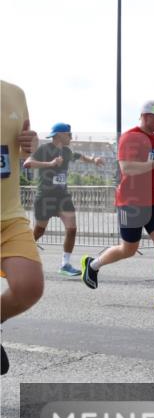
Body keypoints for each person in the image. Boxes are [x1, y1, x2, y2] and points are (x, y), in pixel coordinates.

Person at [80, 101, 154, 310]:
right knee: (129, 249)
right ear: (145, 116)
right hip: (131, 200)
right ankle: (93, 264)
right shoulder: (129, 138)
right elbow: (127, 168)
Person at [23, 122, 106, 276]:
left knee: (72, 228)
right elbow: (27, 163)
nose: (71, 136)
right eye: (69, 134)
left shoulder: (66, 151)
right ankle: (20, 254)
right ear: (60, 135)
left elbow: (80, 157)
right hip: (45, 197)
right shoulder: (44, 149)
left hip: (62, 197)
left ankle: (65, 264)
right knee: (39, 231)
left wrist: (93, 160)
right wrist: (50, 163)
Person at [1, 81, 44, 375]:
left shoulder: (14, 94)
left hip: (9, 215)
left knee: (29, 287)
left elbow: (19, 150)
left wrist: (31, 144)